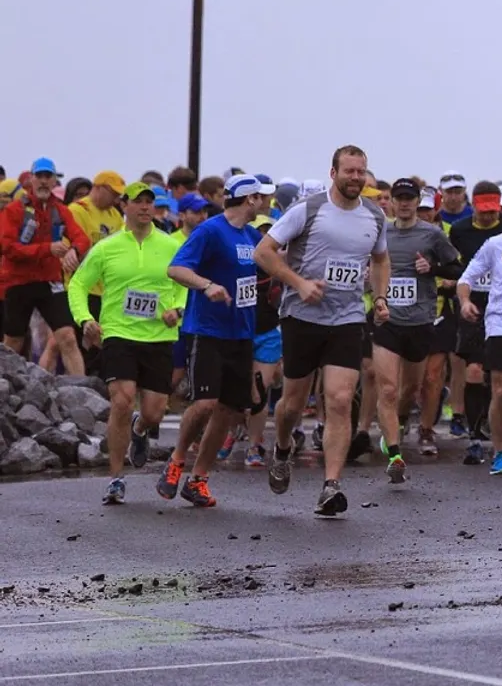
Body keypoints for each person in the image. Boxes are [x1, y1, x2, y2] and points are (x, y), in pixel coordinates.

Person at [255, 146, 391, 517]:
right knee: (293, 404)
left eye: (361, 171)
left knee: (340, 400)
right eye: (349, 171)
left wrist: (380, 297)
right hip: (301, 317)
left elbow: (381, 259)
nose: (356, 177)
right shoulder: (308, 210)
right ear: (333, 173)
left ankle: (331, 485)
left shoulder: (374, 215)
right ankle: (283, 446)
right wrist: (298, 283)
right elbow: (264, 252)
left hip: (347, 318)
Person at [66, 181, 183, 504]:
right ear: (124, 206)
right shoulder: (107, 247)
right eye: (138, 201)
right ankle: (116, 479)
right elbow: (78, 285)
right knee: (122, 400)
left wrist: (178, 309)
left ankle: (140, 428)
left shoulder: (171, 246)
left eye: (150, 202)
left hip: (159, 336)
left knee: (154, 412)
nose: (145, 207)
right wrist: (85, 319)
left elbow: (185, 283)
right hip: (118, 333)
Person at [162, 175, 272, 508]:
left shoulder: (252, 236)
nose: (267, 202)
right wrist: (207, 285)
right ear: (250, 199)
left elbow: (274, 264)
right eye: (263, 197)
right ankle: (176, 461)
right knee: (205, 404)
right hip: (208, 331)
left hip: (242, 333)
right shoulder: (210, 231)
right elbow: (176, 269)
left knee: (228, 409)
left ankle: (199, 479)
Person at [370, 178, 463, 466]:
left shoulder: (432, 234)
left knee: (410, 390)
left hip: (420, 320)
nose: (404, 203)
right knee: (387, 388)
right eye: (399, 198)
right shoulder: (381, 232)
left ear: (417, 202)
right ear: (392, 202)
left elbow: (457, 268)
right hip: (387, 320)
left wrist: (432, 268)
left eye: (409, 198)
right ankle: (394, 449)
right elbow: (368, 261)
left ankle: (398, 421)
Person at [1, 157, 91, 373]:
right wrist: (47, 249)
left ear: (54, 181)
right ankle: (4, 385)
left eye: (47, 176)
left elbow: (82, 238)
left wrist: (74, 250)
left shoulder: (60, 210)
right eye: (39, 176)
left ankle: (81, 388)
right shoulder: (14, 210)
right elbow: (8, 248)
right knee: (13, 341)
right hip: (18, 282)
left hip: (50, 282)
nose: (43, 181)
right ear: (31, 179)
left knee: (67, 337)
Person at [447, 180, 502, 462]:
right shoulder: (459, 230)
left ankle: (496, 421)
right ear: (473, 206)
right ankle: (474, 436)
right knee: (474, 372)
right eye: (483, 210)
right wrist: (461, 295)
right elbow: (455, 266)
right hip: (475, 307)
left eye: (492, 211)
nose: (488, 216)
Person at [456, 221, 502, 476]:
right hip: (500, 323)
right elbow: (467, 278)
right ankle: (500, 452)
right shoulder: (496, 244)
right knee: (501, 388)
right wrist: (464, 301)